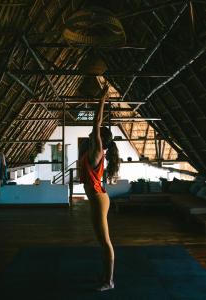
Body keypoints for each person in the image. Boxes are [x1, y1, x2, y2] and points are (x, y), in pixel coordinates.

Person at [79, 85, 120, 291]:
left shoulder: (96, 151)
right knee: (101, 241)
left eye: (94, 134)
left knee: (105, 242)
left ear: (99, 139)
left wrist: (102, 99)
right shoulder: (93, 153)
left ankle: (109, 281)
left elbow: (96, 122)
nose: (90, 134)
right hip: (98, 198)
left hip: (98, 199)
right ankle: (106, 275)